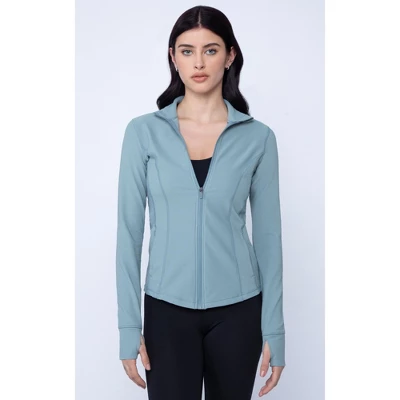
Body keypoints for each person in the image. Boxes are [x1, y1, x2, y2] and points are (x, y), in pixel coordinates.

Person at [116, 5, 286, 399]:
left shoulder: (258, 138)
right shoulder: (143, 133)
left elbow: (269, 239)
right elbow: (128, 233)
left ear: (229, 56)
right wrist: (129, 325)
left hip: (239, 311)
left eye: (210, 50)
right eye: (187, 50)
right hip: (166, 310)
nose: (198, 62)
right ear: (173, 58)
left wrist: (275, 329)